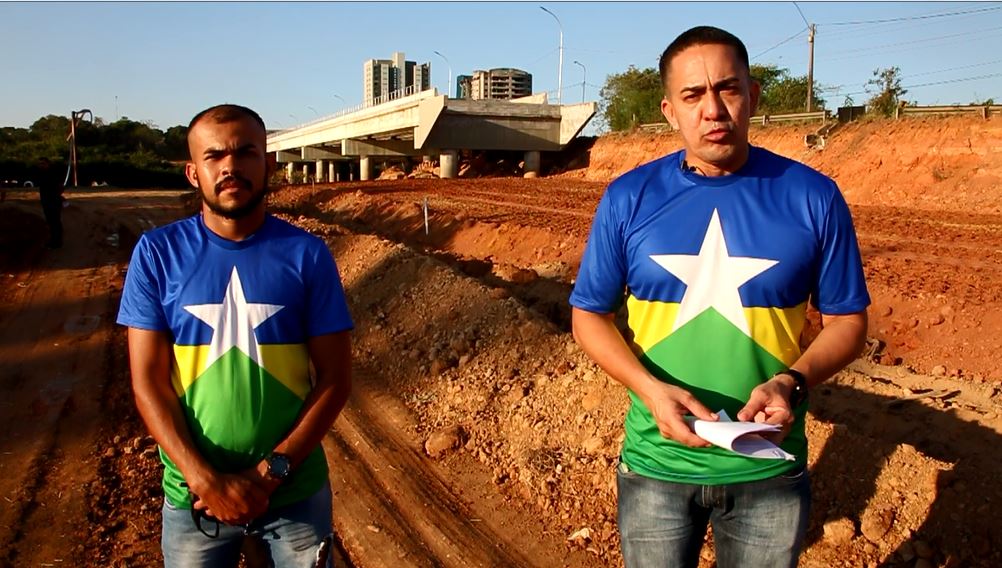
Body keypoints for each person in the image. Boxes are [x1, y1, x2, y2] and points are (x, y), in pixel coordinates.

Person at [569, 26, 870, 568]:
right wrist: (649, 391)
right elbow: (589, 315)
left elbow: (848, 323)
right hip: (656, 466)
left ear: (752, 96)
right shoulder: (628, 199)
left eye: (727, 89)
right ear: (669, 111)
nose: (713, 109)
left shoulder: (814, 198)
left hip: (769, 470)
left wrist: (790, 382)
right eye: (693, 95)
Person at [117, 104, 353, 567]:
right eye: (214, 155)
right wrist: (205, 481)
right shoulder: (156, 254)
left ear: (269, 165)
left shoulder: (307, 254)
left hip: (294, 496)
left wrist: (269, 475)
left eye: (246, 153)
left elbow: (335, 379)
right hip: (195, 500)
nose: (230, 166)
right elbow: (147, 383)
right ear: (193, 172)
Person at [37, 157, 64, 248]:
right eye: (40, 164)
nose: (41, 165)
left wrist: (56, 196)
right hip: (46, 201)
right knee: (51, 222)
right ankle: (54, 240)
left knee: (55, 221)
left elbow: (60, 187)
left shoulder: (53, 174)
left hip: (54, 201)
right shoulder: (42, 174)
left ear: (48, 164)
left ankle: (57, 241)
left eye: (43, 163)